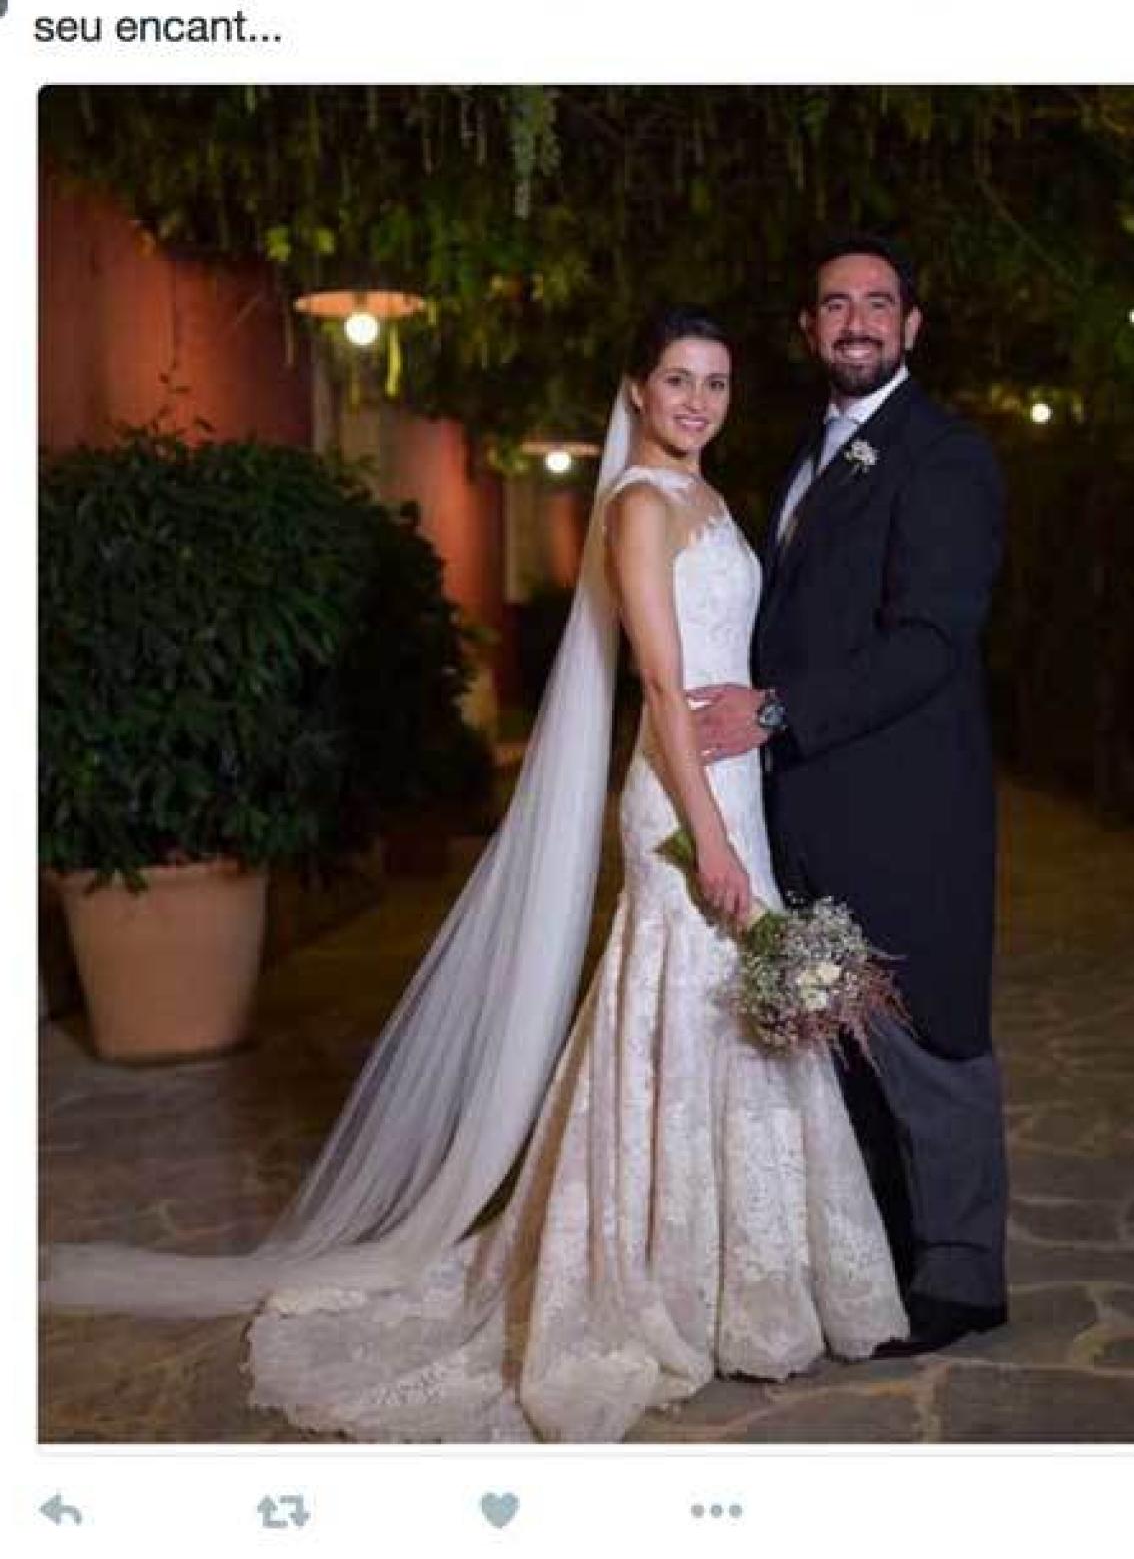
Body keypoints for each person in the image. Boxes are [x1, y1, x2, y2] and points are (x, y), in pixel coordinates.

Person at [43, 307, 906, 1441]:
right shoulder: (641, 505)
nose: (698, 400)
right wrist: (709, 834)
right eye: (676, 379)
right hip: (682, 799)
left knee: (737, 1018)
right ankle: (652, 1278)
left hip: (731, 784)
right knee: (680, 1013)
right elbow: (660, 684)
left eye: (715, 381)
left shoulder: (707, 499)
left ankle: (744, 1283)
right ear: (635, 390)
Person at [691, 237, 1009, 1356]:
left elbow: (929, 640)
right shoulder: (807, 448)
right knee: (844, 1044)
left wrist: (775, 711)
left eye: (879, 303)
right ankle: (885, 1259)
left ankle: (963, 1274)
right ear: (808, 326)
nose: (857, 322)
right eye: (836, 304)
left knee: (930, 1035)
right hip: (811, 807)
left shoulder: (944, 454)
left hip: (907, 808)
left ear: (911, 326)